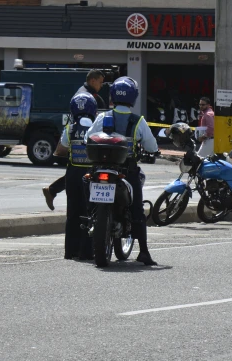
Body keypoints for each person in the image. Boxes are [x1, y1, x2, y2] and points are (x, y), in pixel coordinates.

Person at [86, 77, 159, 266]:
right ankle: (143, 251)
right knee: (137, 212)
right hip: (127, 171)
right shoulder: (138, 121)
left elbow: (88, 137)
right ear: (133, 97)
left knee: (89, 203)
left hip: (101, 168)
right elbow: (152, 146)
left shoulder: (103, 117)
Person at [43, 69, 109, 210]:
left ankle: (52, 190)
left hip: (77, 136)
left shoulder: (87, 93)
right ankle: (53, 190)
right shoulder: (85, 95)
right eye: (100, 82)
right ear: (92, 80)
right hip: (81, 137)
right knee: (83, 170)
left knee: (79, 171)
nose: (102, 85)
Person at [54, 93, 97, 260]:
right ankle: (87, 252)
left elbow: (60, 150)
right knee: (91, 212)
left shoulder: (70, 127)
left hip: (73, 175)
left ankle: (70, 252)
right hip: (92, 175)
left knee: (73, 214)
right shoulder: (97, 126)